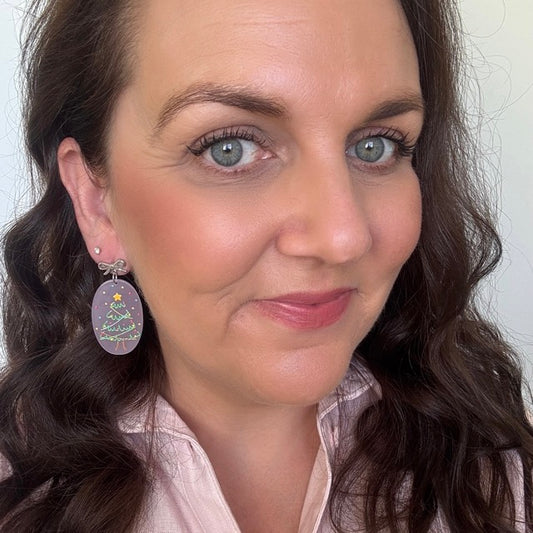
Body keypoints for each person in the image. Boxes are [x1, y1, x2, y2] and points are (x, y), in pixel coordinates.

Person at [0, 0, 531, 531]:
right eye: (229, 149)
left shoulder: (502, 482)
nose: (342, 238)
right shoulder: (18, 497)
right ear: (96, 201)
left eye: (375, 146)